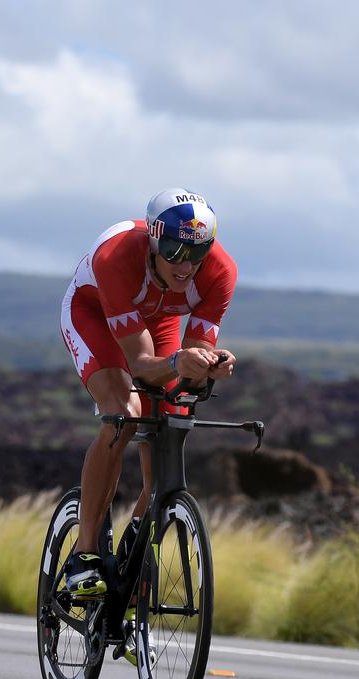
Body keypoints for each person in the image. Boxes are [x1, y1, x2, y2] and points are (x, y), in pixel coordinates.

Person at [59, 188, 237, 596]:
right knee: (123, 412)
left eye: (198, 253)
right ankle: (84, 555)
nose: (186, 264)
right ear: (155, 240)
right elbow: (141, 366)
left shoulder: (221, 271)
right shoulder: (117, 255)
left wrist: (211, 367)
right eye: (175, 251)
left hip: (157, 323)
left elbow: (194, 360)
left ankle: (137, 550)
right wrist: (177, 363)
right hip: (95, 316)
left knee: (172, 421)